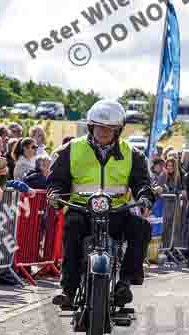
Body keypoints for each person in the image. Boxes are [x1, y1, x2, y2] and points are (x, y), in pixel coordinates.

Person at [47, 99, 154, 308]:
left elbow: (141, 182)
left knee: (141, 227)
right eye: (99, 126)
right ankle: (68, 290)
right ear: (90, 126)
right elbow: (57, 180)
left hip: (117, 212)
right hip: (82, 211)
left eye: (109, 128)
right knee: (72, 227)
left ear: (118, 129)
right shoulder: (71, 149)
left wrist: (145, 196)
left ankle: (125, 282)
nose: (104, 131)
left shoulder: (133, 153)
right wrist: (55, 195)